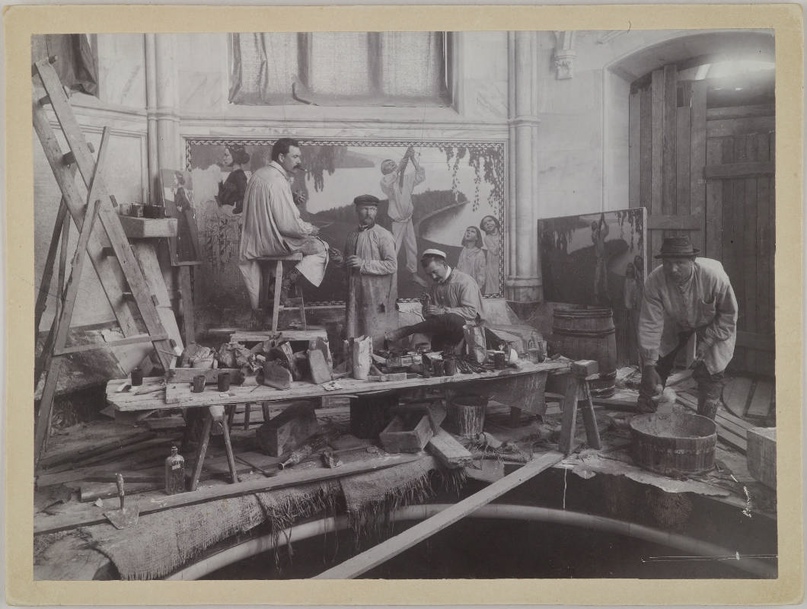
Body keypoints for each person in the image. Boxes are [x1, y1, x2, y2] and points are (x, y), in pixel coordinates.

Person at [637, 237, 738, 419]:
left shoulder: (715, 278)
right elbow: (650, 323)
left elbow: (729, 314)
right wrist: (649, 365)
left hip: (713, 322)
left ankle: (704, 423)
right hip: (674, 320)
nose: (673, 269)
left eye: (679, 263)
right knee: (654, 365)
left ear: (692, 261)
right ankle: (645, 417)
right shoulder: (654, 281)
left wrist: (707, 340)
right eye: (667, 263)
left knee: (712, 370)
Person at [238, 138, 333, 325]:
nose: (299, 161)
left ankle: (274, 294)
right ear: (281, 157)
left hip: (254, 241)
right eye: (295, 156)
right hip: (271, 242)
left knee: (306, 241)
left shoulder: (260, 174)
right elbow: (287, 225)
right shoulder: (278, 181)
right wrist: (310, 229)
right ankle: (284, 284)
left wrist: (291, 199)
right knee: (321, 247)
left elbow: (267, 209)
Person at [383, 249, 484, 352]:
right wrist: (426, 307)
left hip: (466, 330)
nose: (433, 277)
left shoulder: (464, 281)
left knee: (453, 319)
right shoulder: (435, 286)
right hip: (445, 331)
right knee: (421, 343)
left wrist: (444, 311)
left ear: (444, 265)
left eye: (434, 272)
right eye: (429, 274)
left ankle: (408, 330)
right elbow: (432, 319)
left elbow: (471, 313)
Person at [342, 194, 399, 341]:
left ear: (376, 211)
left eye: (372, 209)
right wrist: (341, 261)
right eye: (365, 209)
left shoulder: (383, 235)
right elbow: (350, 264)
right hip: (356, 293)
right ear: (357, 210)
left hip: (377, 295)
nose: (369, 213)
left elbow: (392, 265)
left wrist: (363, 264)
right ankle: (356, 361)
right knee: (355, 332)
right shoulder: (352, 235)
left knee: (375, 333)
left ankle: (375, 361)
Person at [380, 145, 428, 288]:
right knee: (394, 249)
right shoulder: (385, 182)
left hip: (408, 220)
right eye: (387, 164)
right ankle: (386, 276)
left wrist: (412, 158)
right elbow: (390, 179)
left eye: (392, 162)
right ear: (385, 171)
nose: (391, 163)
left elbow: (420, 175)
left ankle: (413, 274)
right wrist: (400, 166)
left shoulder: (406, 178)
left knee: (412, 247)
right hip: (396, 222)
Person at [216, 144, 250, 214]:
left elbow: (243, 199)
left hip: (233, 218)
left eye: (226, 155)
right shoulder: (233, 174)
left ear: (235, 156)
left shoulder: (239, 175)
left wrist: (232, 213)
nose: (224, 158)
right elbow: (223, 197)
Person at [456, 226, 486, 292]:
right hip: (461, 284)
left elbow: (481, 273)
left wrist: (477, 287)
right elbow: (459, 267)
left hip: (472, 287)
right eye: (467, 231)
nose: (469, 232)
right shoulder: (464, 250)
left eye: (472, 231)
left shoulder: (479, 253)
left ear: (477, 238)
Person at [479, 215, 502, 295]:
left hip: (503, 261)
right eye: (485, 223)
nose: (488, 224)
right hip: (493, 264)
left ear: (495, 223)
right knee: (494, 282)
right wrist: (501, 240)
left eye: (490, 221)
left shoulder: (503, 234)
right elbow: (495, 251)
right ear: (484, 228)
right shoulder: (487, 238)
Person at [591, 213, 610, 304]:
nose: (595, 225)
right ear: (592, 227)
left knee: (605, 276)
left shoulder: (601, 233)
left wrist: (604, 221)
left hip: (603, 258)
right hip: (598, 259)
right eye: (593, 225)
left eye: (595, 224)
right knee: (597, 277)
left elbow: (607, 229)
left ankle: (606, 293)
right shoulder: (593, 235)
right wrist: (600, 221)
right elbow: (597, 231)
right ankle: (596, 296)